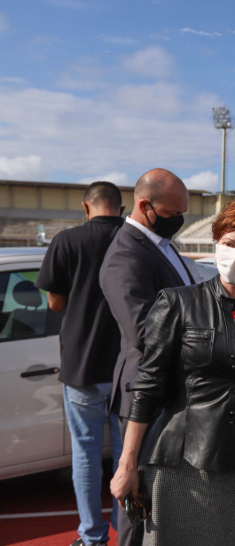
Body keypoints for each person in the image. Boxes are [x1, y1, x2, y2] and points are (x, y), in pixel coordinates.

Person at [110, 195, 235, 546]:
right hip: (179, 461)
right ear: (216, 243)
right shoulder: (177, 302)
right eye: (230, 243)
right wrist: (127, 463)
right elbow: (147, 386)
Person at [99, 168, 197, 546]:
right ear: (145, 206)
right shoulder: (124, 256)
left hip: (170, 391)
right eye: (174, 213)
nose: (179, 220)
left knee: (162, 498)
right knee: (137, 504)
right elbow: (143, 331)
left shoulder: (158, 243)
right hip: (147, 394)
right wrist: (204, 339)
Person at [35, 182, 125, 546]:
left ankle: (91, 537)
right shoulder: (135, 239)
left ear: (86, 209)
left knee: (86, 455)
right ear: (120, 209)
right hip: (128, 368)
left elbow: (55, 304)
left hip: (81, 365)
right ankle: (127, 531)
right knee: (127, 456)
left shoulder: (67, 241)